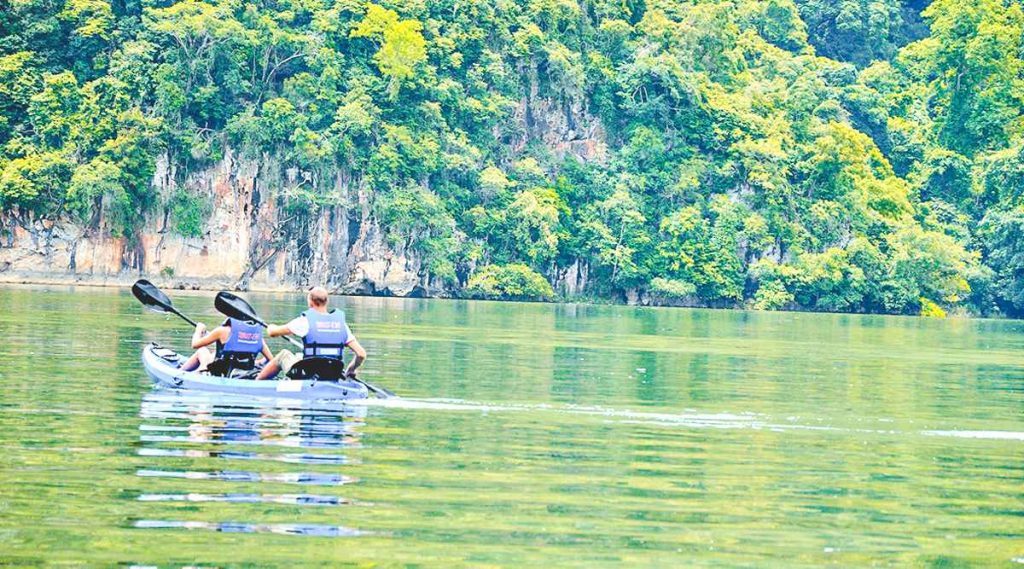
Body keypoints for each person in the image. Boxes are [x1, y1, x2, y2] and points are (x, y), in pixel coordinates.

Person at [256, 286, 367, 380]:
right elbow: (361, 354)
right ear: (326, 302)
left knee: (283, 355)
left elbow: (272, 333)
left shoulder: (304, 321)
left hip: (309, 372)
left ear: (310, 302)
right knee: (299, 356)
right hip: (332, 372)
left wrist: (271, 327)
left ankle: (255, 383)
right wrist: (350, 370)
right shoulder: (342, 325)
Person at [180, 317, 274, 376]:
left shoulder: (222, 331)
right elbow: (271, 360)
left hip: (221, 373)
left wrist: (199, 329)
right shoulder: (257, 337)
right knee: (212, 354)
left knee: (202, 350)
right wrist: (256, 362)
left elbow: (195, 344)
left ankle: (179, 373)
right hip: (244, 370)